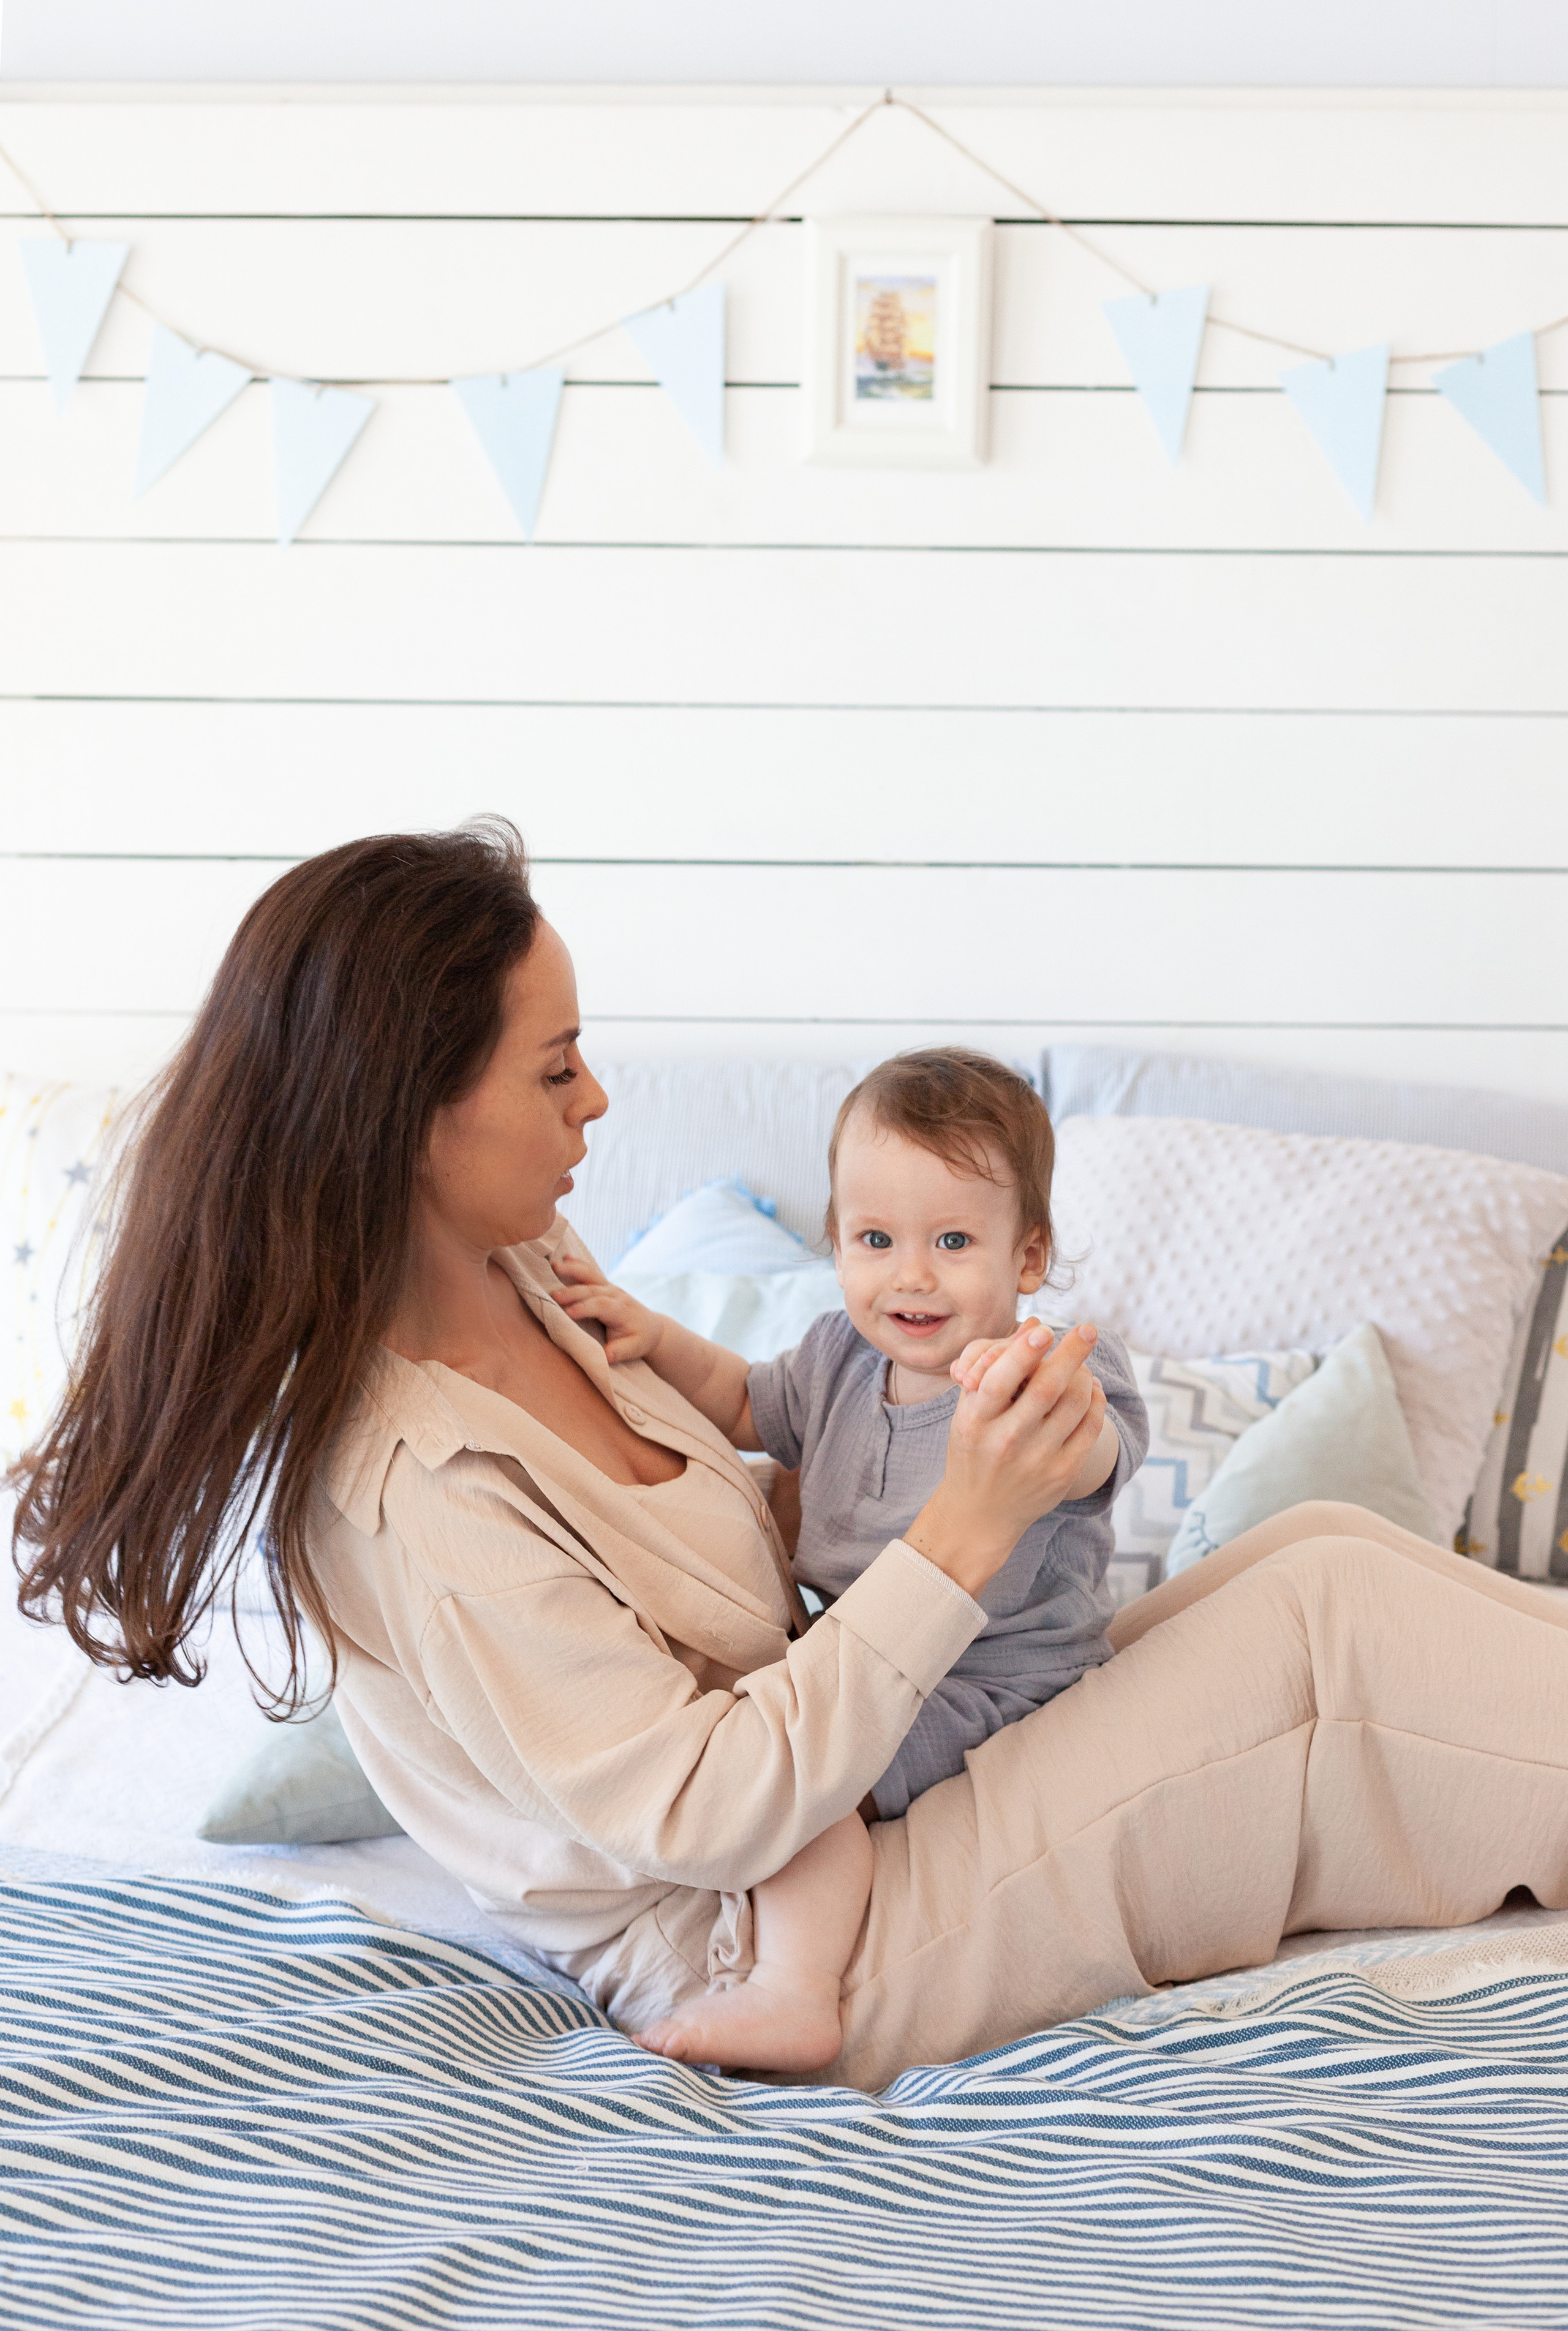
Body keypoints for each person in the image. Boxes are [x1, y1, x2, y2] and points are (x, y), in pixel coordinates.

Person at [15, 821, 1568, 2099]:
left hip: (877, 1785)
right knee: (1324, 1645)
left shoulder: (534, 1273)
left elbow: (720, 1529)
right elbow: (701, 1810)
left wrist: (952, 1481)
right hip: (792, 1933)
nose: (597, 1101)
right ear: (411, 1115)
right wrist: (959, 1528)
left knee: (1315, 1557)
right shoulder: (418, 1484)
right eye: (555, 1070)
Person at [546, 1047, 1149, 2067]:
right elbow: (745, 1399)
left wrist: (1036, 1410)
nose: (910, 1273)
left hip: (1004, 1684)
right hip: (877, 1661)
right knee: (751, 1740)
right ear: (835, 1243)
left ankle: (794, 1990)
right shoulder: (835, 1358)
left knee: (809, 1794)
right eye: (875, 1239)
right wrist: (651, 1335)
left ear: (1029, 1258)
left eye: (954, 1240)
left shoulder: (1049, 1374)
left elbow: (1098, 1459)